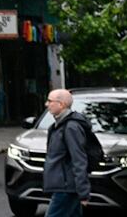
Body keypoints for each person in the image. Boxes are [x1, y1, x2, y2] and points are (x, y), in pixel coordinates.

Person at [42, 88, 93, 217]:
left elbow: (79, 160)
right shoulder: (56, 126)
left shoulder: (71, 127)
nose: (46, 104)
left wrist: (83, 192)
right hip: (64, 186)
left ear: (61, 104)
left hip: (66, 188)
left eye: (50, 101)